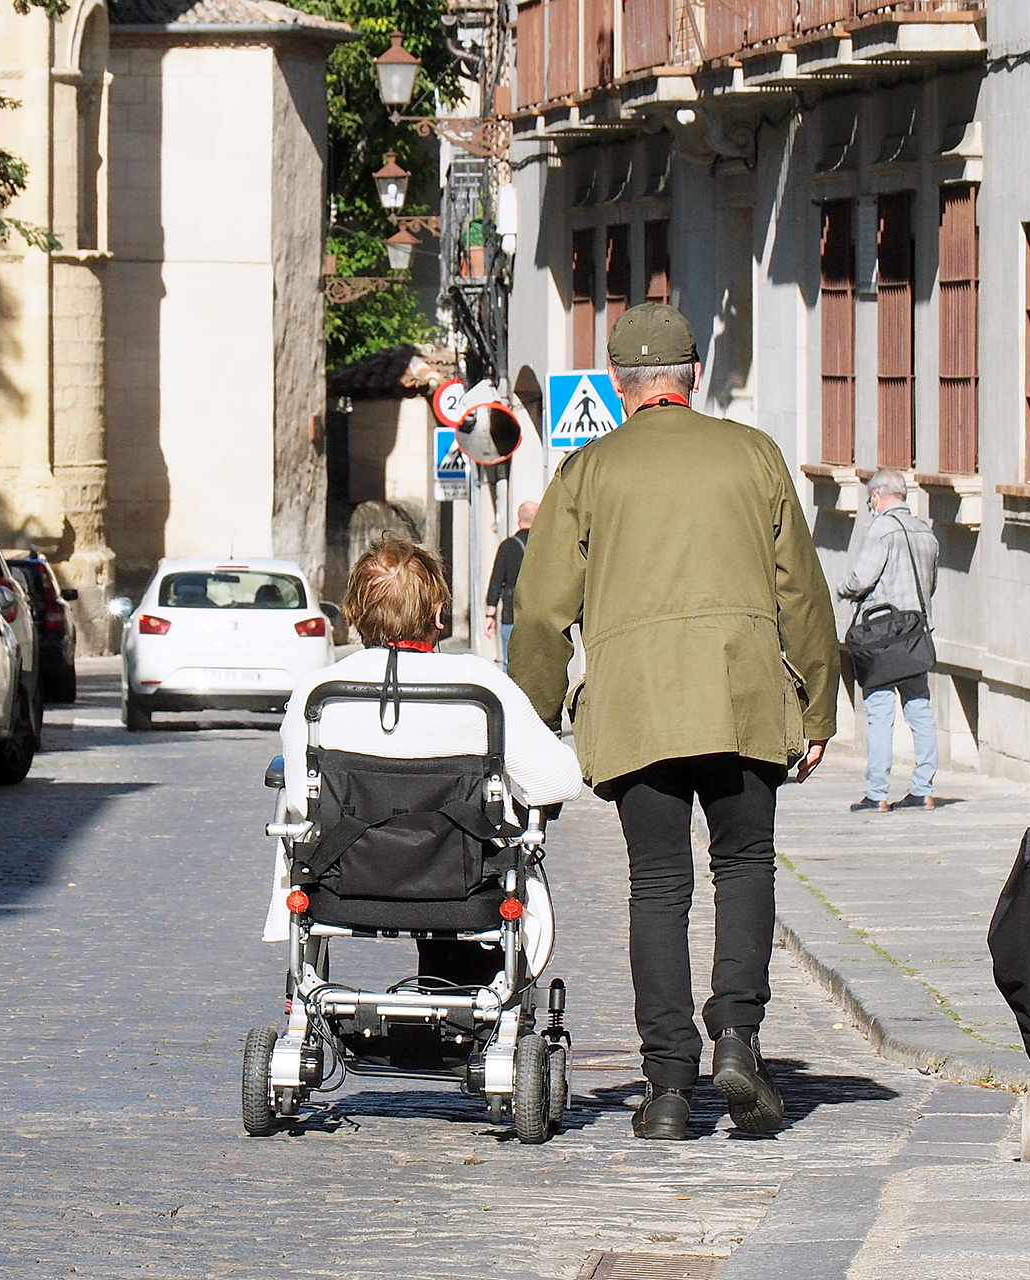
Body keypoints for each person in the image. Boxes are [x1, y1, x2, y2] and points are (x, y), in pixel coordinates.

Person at [510, 303, 839, 1140]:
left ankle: (665, 1088)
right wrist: (818, 705)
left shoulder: (587, 472)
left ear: (620, 388)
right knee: (745, 866)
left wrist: (530, 719)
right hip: (741, 697)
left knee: (656, 887)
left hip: (638, 706)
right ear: (693, 374)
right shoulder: (754, 455)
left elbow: (542, 612)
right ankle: (736, 1031)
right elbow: (801, 590)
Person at [265, 536, 582, 986]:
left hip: (342, 882)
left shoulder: (319, 692)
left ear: (354, 614)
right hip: (463, 886)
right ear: (437, 614)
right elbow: (560, 781)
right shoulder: (478, 686)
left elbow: (300, 799)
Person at [836, 469, 940, 812]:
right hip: (913, 636)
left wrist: (843, 588)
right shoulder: (926, 532)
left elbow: (860, 578)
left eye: (871, 500)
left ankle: (877, 793)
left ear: (878, 496)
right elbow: (930, 585)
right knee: (919, 709)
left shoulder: (881, 529)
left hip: (881, 638)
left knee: (880, 711)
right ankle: (922, 788)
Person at [483, 501, 538, 670]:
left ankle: (513, 696)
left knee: (511, 663)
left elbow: (496, 581)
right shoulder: (547, 545)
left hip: (511, 615)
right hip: (539, 617)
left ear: (519, 520)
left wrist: (490, 615)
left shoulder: (508, 546)